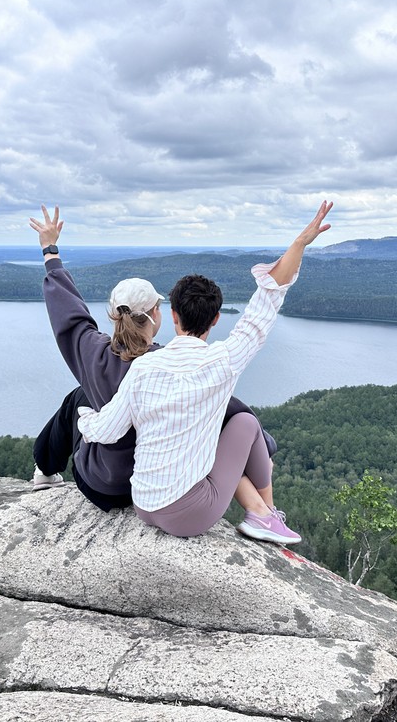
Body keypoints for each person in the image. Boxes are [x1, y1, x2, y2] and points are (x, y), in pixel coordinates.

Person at [77, 201, 333, 544]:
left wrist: (83, 418)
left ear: (172, 317)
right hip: (188, 515)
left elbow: (107, 429)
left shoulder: (144, 367)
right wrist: (299, 244)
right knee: (244, 422)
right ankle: (265, 515)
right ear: (215, 320)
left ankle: (265, 515)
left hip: (143, 504)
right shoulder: (222, 361)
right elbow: (265, 305)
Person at [29, 205, 276, 511]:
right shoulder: (167, 365)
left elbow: (69, 313)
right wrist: (263, 444)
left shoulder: (90, 353)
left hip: (97, 484)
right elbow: (225, 404)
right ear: (157, 314)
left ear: (114, 315)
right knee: (81, 396)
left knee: (77, 399)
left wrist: (50, 251)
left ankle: (45, 470)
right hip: (142, 486)